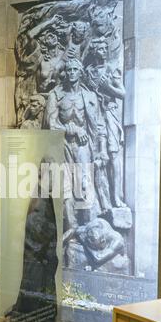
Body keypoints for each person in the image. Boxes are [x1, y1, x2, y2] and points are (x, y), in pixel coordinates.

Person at [43, 58, 99, 230]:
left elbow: (98, 125)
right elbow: (50, 125)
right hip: (62, 145)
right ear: (65, 73)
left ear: (80, 72)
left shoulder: (89, 97)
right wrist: (71, 130)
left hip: (83, 146)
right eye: (69, 69)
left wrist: (100, 149)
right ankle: (70, 226)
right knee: (64, 186)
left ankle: (87, 225)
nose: (72, 72)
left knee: (84, 183)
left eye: (75, 69)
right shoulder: (56, 95)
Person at [85, 38, 126, 208]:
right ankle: (100, 199)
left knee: (114, 154)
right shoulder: (88, 71)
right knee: (96, 155)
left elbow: (122, 93)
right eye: (99, 48)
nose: (103, 51)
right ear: (94, 51)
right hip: (93, 115)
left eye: (105, 48)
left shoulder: (111, 68)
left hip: (109, 114)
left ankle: (116, 197)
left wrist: (108, 87)